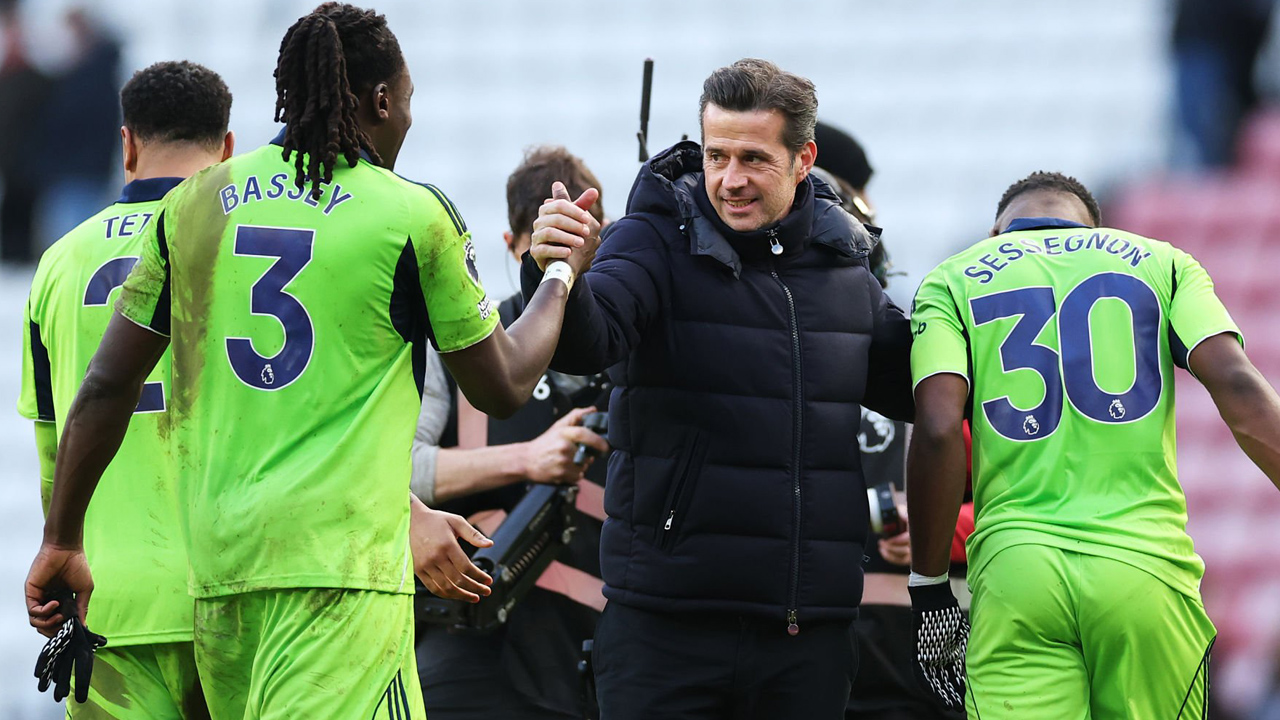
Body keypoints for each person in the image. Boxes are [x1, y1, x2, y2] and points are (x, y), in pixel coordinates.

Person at [23, 4, 598, 719]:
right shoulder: (408, 214)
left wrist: (62, 539)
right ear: (383, 101)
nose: (409, 122)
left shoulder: (199, 204)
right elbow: (507, 383)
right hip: (341, 583)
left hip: (224, 582)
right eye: (408, 103)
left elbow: (106, 384)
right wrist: (560, 275)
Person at [526, 58, 914, 720]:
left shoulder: (845, 267)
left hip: (807, 639)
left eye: (753, 159)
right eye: (716, 155)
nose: (729, 180)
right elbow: (593, 339)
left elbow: (921, 392)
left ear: (804, 159)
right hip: (663, 635)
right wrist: (566, 278)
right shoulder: (649, 239)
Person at [906, 171, 1280, 718]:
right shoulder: (1163, 263)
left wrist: (930, 581)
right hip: (1146, 569)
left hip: (1017, 571)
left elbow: (938, 428)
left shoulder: (951, 279)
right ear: (1093, 230)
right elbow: (1239, 387)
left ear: (996, 233)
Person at [18, 59, 232, 718]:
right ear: (228, 149)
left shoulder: (58, 262)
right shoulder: (245, 248)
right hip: (236, 595)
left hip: (106, 600)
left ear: (127, 144)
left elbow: (58, 447)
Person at [413, 145, 610, 720]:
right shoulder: (456, 346)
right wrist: (527, 459)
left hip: (601, 653)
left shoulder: (633, 348)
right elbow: (398, 472)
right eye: (543, 255)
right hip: (478, 649)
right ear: (511, 247)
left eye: (573, 255)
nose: (560, 279)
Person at [808, 121, 970, 720]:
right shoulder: (759, 348)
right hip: (816, 646)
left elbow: (1012, 492)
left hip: (925, 647)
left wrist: (942, 528)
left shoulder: (925, 348)